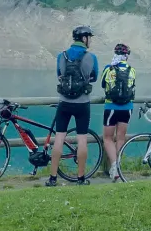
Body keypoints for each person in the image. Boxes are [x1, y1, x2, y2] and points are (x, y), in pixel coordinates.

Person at [46, 25, 99, 187]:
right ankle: (81, 178)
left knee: (59, 138)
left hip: (64, 103)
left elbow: (59, 74)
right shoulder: (91, 57)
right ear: (84, 38)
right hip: (82, 103)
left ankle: (53, 178)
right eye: (89, 37)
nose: (90, 40)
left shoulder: (61, 56)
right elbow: (94, 77)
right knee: (82, 139)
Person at [100, 43, 135, 182]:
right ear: (126, 56)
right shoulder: (132, 70)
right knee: (120, 138)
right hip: (127, 108)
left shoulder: (108, 69)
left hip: (111, 107)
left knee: (108, 138)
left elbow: (103, 84)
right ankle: (118, 167)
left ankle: (114, 166)